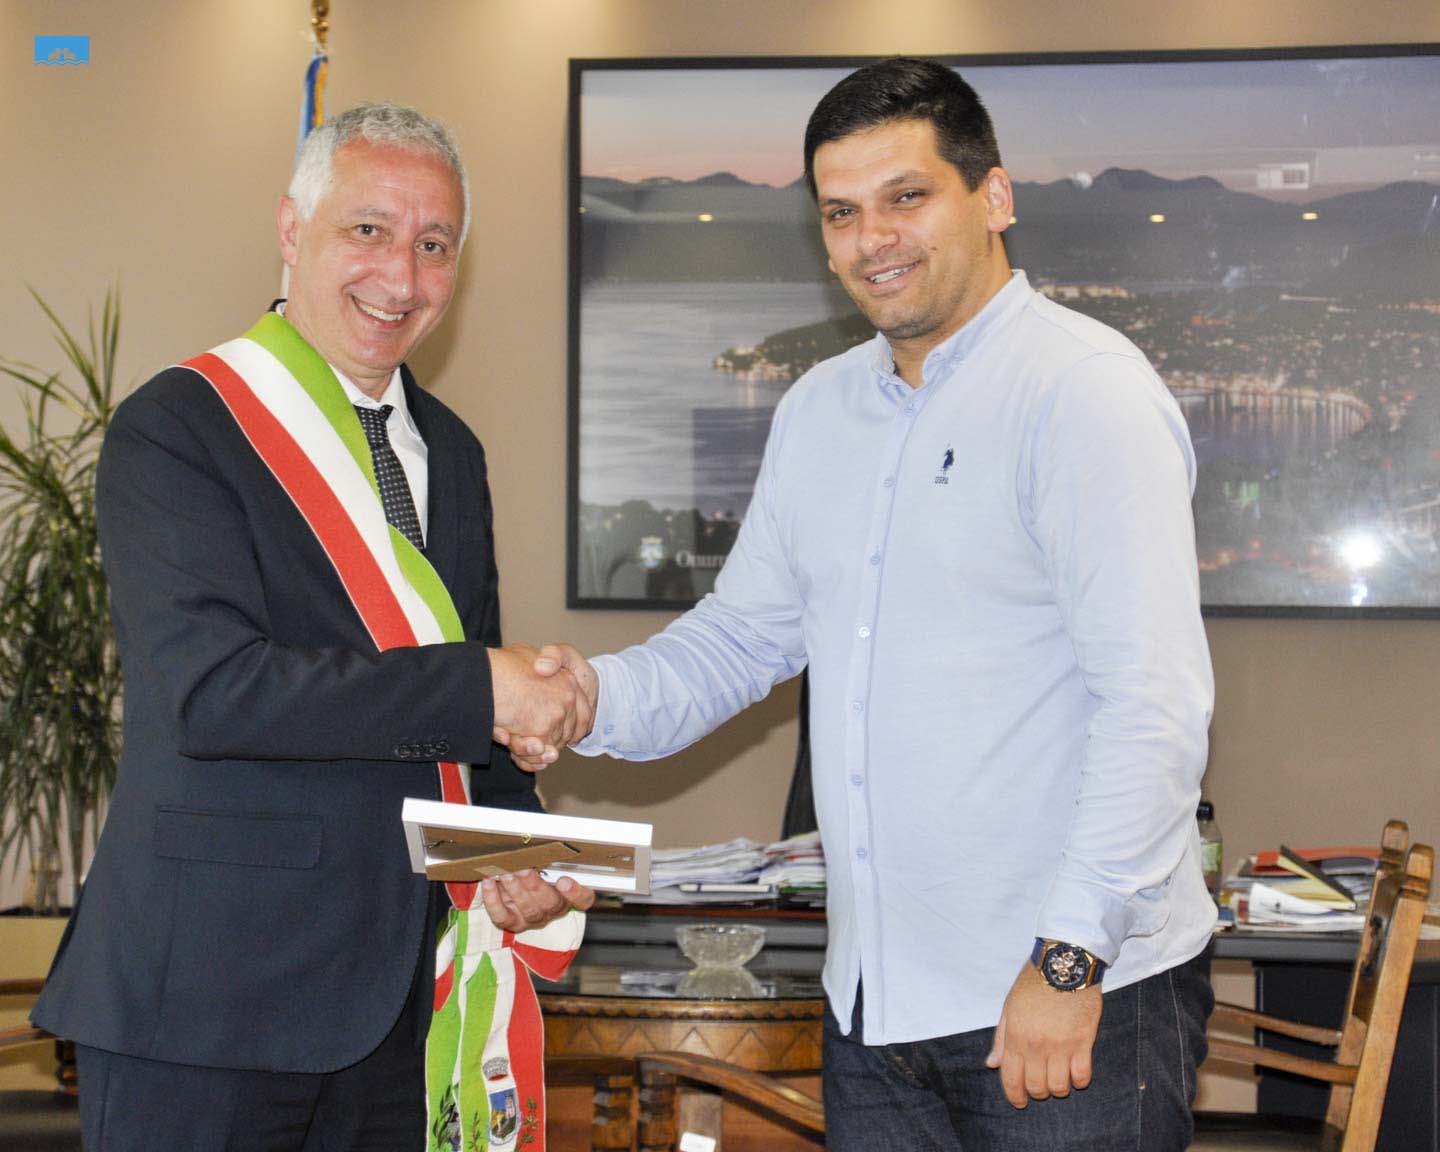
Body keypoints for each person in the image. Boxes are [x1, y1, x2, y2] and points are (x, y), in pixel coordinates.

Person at [520, 58, 1217, 1150]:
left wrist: (1068, 959)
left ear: (993, 196)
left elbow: (1153, 707)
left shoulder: (1083, 391)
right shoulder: (816, 410)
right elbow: (741, 640)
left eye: (907, 196)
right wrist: (582, 698)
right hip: (874, 1010)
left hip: (1065, 1000)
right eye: (841, 212)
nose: (871, 238)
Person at [33, 103, 594, 1151]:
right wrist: (485, 687)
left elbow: (466, 719)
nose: (401, 276)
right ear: (293, 231)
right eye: (368, 230)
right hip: (206, 999)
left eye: (435, 245)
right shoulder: (179, 426)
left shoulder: (453, 451)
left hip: (399, 1002)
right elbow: (212, 693)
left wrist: (515, 855)